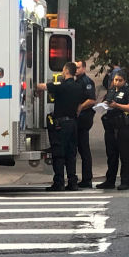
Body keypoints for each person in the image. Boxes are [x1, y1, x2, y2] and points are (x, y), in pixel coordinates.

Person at [36, 61, 87, 191]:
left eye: (63, 71)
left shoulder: (61, 85)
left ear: (66, 71)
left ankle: (58, 182)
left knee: (59, 154)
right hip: (73, 123)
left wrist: (34, 86)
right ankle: (72, 182)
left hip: (61, 124)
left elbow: (42, 86)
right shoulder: (78, 87)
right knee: (71, 154)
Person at [96, 70, 129, 191]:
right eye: (115, 80)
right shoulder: (111, 91)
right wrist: (103, 105)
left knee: (124, 155)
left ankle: (125, 182)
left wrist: (117, 106)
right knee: (111, 155)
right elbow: (105, 102)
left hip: (123, 127)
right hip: (110, 126)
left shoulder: (127, 92)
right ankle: (110, 181)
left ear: (124, 81)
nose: (117, 82)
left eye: (120, 80)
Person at [74, 60, 97, 188]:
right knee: (79, 149)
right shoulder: (76, 81)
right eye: (75, 67)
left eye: (78, 67)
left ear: (84, 68)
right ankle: (82, 178)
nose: (76, 69)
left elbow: (92, 100)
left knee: (84, 149)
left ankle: (87, 179)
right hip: (78, 118)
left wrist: (80, 107)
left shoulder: (86, 81)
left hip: (83, 118)